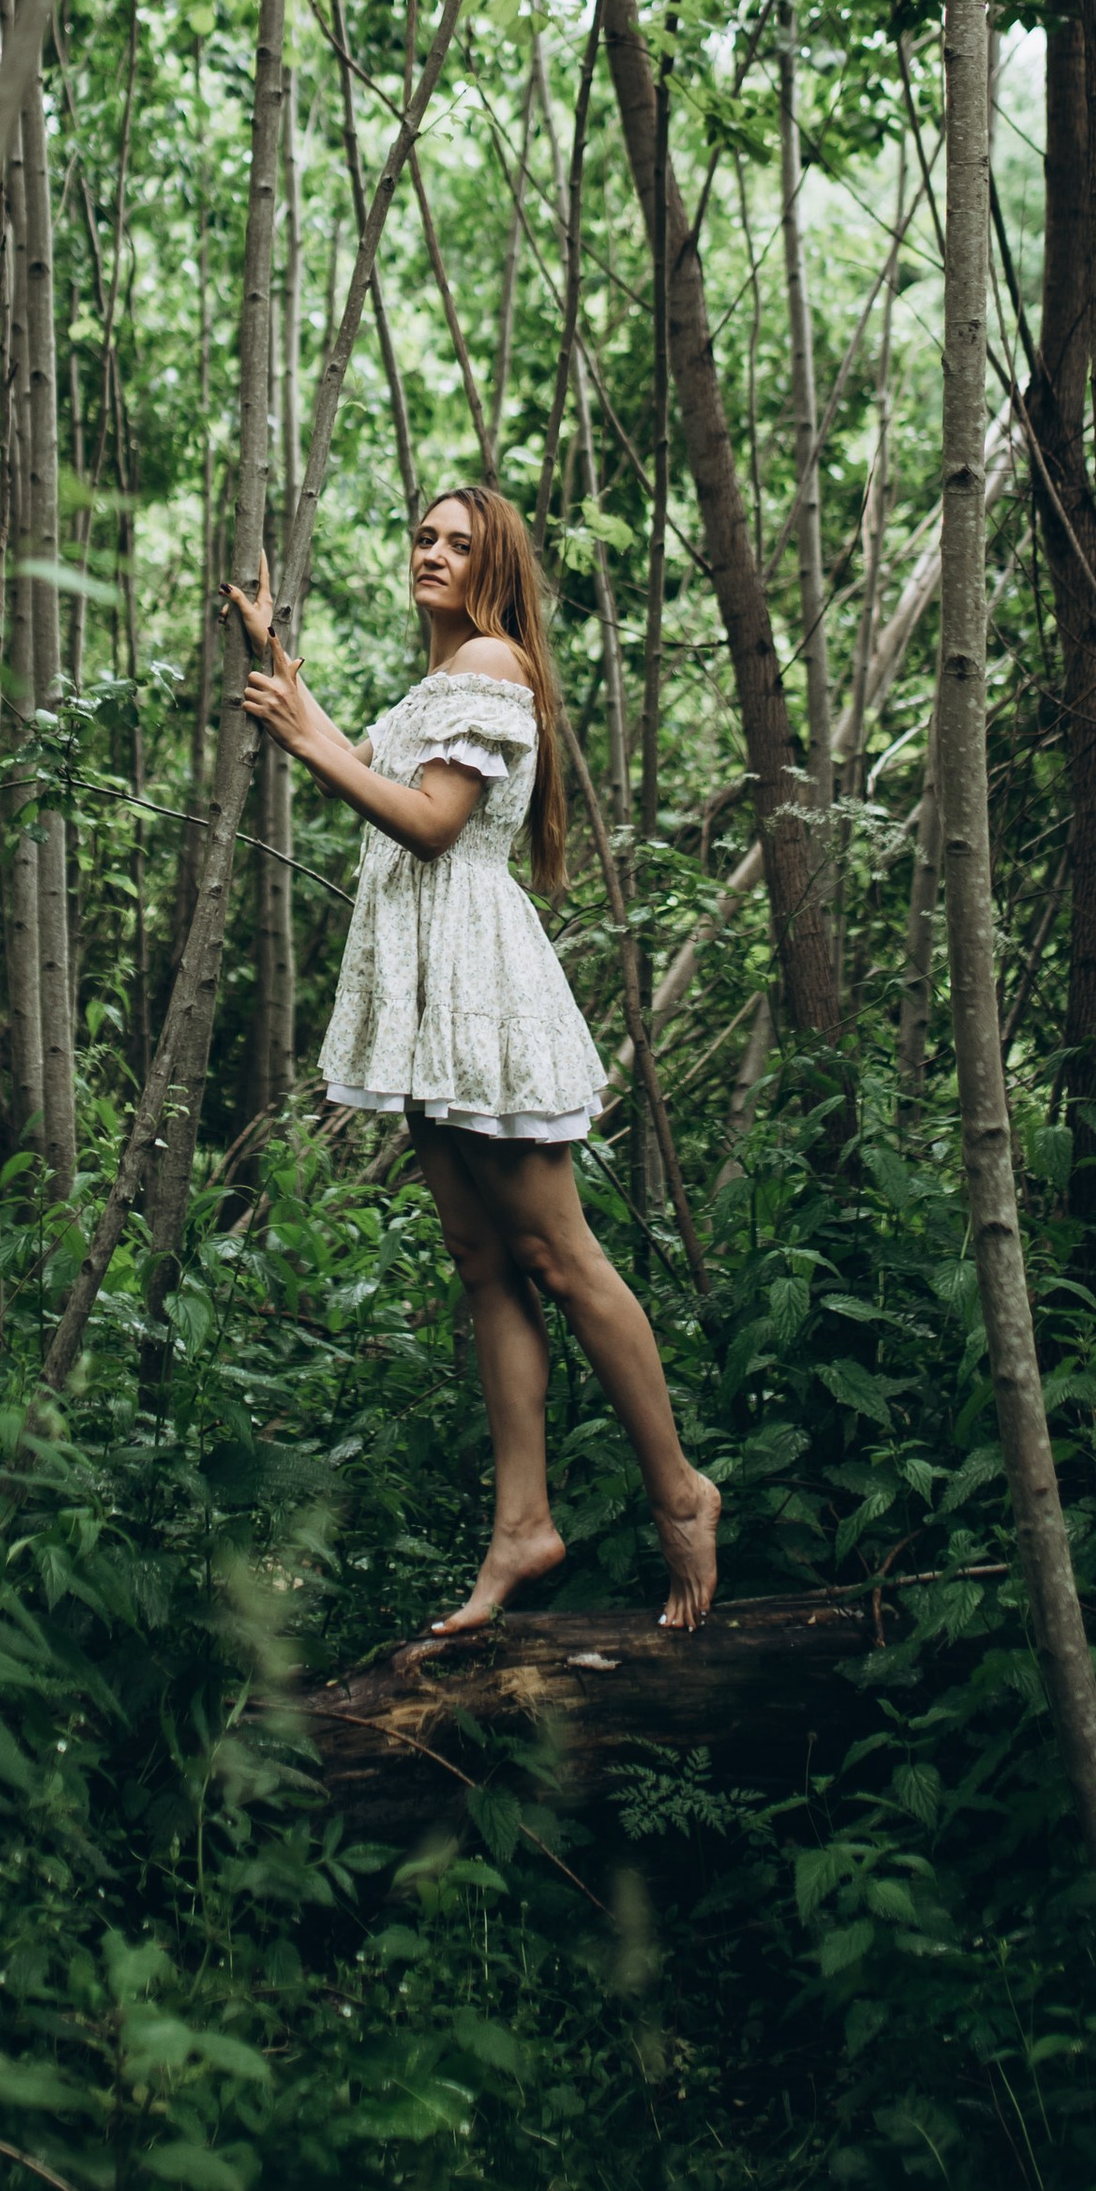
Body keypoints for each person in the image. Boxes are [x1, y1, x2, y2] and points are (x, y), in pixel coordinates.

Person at [226, 482, 722, 1635]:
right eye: (423, 536)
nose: (433, 553)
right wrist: (280, 665)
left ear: (495, 570)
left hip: (479, 989)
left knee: (556, 1254)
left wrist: (301, 739)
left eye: (460, 542)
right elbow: (382, 767)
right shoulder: (441, 684)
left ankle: (682, 1492)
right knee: (484, 1266)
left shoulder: (495, 665)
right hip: (425, 995)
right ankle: (522, 1529)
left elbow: (431, 821)